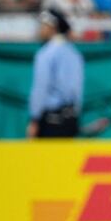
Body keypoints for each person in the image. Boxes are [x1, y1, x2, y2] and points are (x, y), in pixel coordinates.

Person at [27, 9, 84, 138]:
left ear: (52, 28)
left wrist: (34, 119)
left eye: (43, 25)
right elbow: (77, 90)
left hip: (50, 122)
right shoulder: (74, 53)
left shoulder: (45, 53)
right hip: (71, 120)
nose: (40, 29)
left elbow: (41, 87)